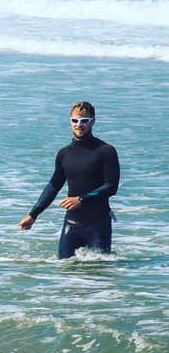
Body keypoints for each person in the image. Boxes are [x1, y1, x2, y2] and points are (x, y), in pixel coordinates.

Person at [18, 101, 120, 259]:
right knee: (64, 272)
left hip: (98, 224)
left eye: (84, 121)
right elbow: (53, 186)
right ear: (70, 121)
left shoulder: (105, 151)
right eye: (75, 121)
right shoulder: (64, 153)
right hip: (71, 225)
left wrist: (81, 199)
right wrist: (33, 215)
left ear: (92, 121)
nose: (79, 125)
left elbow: (111, 186)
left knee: (99, 275)